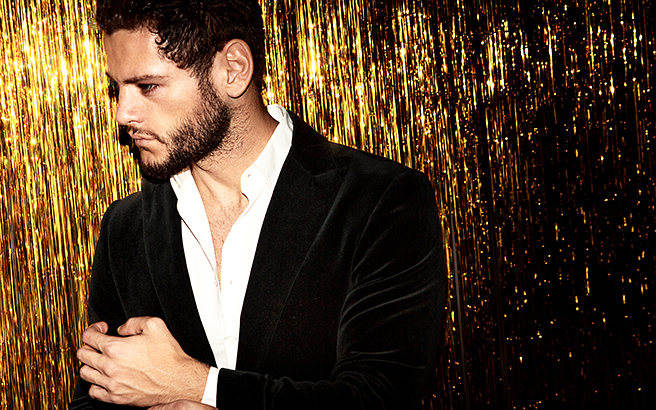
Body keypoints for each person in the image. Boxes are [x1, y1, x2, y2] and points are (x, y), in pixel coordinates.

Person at [69, 1, 446, 409]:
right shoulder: (125, 228)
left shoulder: (380, 200)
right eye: (117, 89)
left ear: (233, 69)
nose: (123, 114)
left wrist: (198, 385)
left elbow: (380, 397)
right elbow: (96, 399)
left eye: (148, 86)